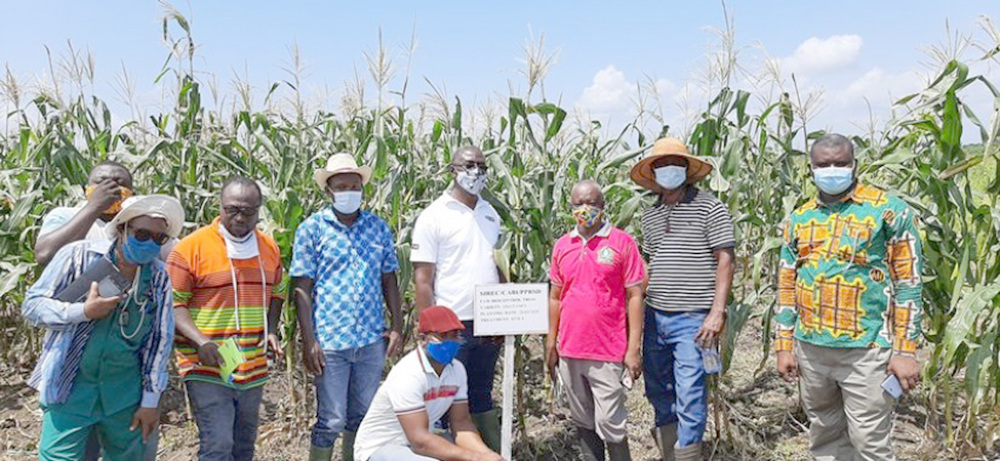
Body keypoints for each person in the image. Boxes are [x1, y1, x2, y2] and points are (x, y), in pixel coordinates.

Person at [775, 134, 923, 460]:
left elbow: (908, 284)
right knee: (824, 433)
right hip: (811, 349)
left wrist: (905, 351)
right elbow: (786, 284)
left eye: (840, 163)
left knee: (869, 440)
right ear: (810, 169)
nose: (832, 170)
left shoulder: (888, 212)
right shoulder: (799, 218)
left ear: (855, 164)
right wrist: (784, 345)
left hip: (867, 350)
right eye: (823, 164)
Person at [22, 195, 183, 460]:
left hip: (125, 393)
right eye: (142, 234)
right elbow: (33, 306)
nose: (150, 243)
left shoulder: (158, 276)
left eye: (159, 238)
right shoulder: (78, 257)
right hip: (70, 386)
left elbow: (160, 341)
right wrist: (82, 311)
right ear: (122, 229)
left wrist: (150, 402)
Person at [291, 153, 404, 461]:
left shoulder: (378, 228)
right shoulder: (311, 229)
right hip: (330, 341)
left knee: (364, 417)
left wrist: (397, 325)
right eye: (341, 187)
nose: (349, 192)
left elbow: (389, 278)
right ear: (328, 191)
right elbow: (301, 288)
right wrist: (309, 340)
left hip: (370, 339)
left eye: (354, 186)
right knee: (331, 420)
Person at [630, 137, 736, 461]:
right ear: (653, 173)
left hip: (693, 317)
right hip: (655, 315)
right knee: (658, 389)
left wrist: (717, 312)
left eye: (674, 163)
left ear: (687, 169)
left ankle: (687, 456)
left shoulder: (710, 207)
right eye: (660, 165)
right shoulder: (650, 216)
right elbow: (648, 262)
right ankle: (670, 452)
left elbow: (726, 258)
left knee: (690, 394)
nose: (668, 170)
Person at [167, 176, 285, 461]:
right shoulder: (190, 248)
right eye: (232, 209)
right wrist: (200, 341)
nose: (240, 217)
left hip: (253, 364)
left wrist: (271, 329)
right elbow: (172, 304)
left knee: (244, 446)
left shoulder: (269, 248)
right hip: (205, 363)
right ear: (219, 206)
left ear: (259, 210)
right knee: (218, 444)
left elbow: (278, 292)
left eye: (248, 211)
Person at [411, 146, 504, 451]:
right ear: (452, 170)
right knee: (442, 399)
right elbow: (423, 279)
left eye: (481, 166)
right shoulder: (434, 216)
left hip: (488, 322)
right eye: (468, 165)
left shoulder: (490, 214)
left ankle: (488, 455)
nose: (475, 172)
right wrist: (430, 328)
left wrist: (503, 317)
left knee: (481, 395)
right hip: (450, 326)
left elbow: (501, 267)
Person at [546, 180, 645, 461]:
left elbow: (635, 296)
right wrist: (551, 343)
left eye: (591, 203)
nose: (585, 209)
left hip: (607, 351)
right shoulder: (563, 246)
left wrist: (633, 348)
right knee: (583, 423)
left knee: (611, 425)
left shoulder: (622, 243)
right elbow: (555, 297)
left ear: (603, 207)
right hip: (570, 349)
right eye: (578, 204)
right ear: (571, 207)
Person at [353, 306, 504, 461]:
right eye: (443, 336)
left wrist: (486, 455)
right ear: (422, 339)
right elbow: (420, 441)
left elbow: (461, 423)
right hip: (381, 448)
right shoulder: (409, 374)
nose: (450, 342)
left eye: (455, 335)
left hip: (416, 445)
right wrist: (475, 458)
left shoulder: (456, 370)